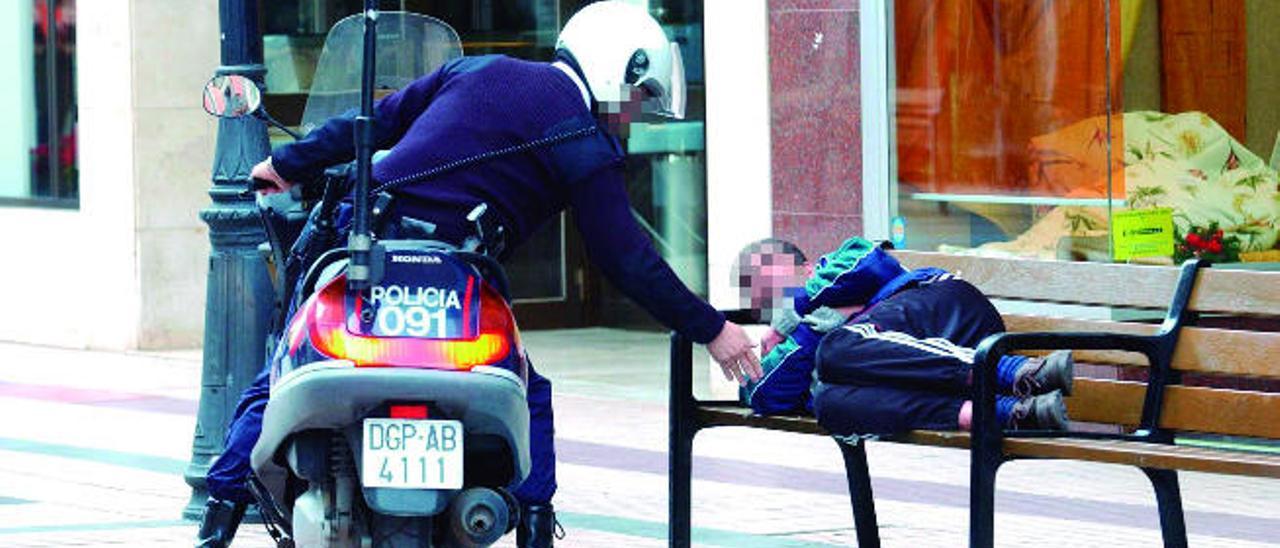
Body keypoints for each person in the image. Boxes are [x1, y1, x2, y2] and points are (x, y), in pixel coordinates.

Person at [195, 3, 762, 547]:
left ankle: (218, 517)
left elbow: (375, 120)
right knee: (526, 391)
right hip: (457, 272)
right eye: (637, 99)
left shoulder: (477, 70)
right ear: (619, 68)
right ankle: (536, 527)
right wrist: (712, 329)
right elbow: (629, 261)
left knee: (287, 364)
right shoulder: (586, 146)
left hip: (367, 246)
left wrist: (284, 164)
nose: (632, 118)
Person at [734, 236, 1074, 436]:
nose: (775, 298)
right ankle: (1011, 412)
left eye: (776, 281)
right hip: (929, 378)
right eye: (765, 299)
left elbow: (871, 264)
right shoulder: (790, 348)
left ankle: (1015, 371)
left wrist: (796, 310)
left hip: (952, 315)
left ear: (808, 269)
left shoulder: (840, 262)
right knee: (829, 402)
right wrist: (808, 327)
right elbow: (768, 395)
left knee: (838, 348)